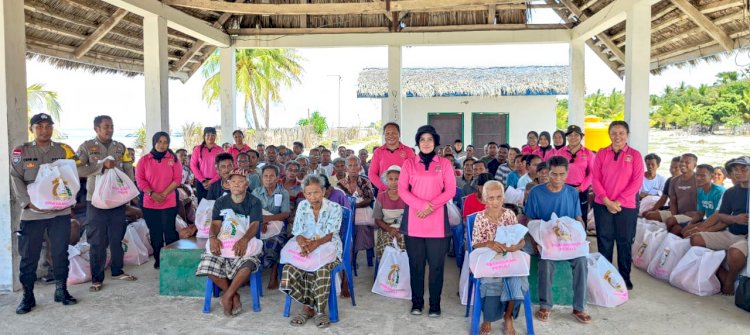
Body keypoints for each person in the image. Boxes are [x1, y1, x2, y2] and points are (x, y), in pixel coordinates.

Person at [12, 113, 79, 314]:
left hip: (59, 212)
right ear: (32, 129)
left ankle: (61, 290)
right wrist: (28, 203)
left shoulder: (62, 150)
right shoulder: (21, 151)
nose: (44, 130)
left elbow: (74, 173)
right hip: (33, 213)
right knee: (28, 256)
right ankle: (28, 296)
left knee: (60, 253)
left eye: (48, 126)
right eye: (39, 126)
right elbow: (16, 178)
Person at [525, 156, 592, 325]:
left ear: (567, 173)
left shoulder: (571, 192)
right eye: (554, 174)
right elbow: (530, 219)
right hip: (546, 241)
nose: (558, 179)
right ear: (547, 173)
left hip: (568, 241)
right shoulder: (536, 192)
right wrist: (537, 241)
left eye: (562, 174)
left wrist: (580, 224)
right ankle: (545, 305)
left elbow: (577, 216)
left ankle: (579, 307)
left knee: (581, 261)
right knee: (546, 262)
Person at [398, 125, 456, 317]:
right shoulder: (409, 164)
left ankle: (435, 305)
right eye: (422, 139)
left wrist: (430, 206)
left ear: (435, 142)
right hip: (414, 222)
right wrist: (422, 206)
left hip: (437, 224)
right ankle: (417, 303)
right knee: (416, 266)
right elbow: (402, 191)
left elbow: (450, 191)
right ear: (417, 142)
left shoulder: (445, 164)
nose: (426, 143)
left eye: (429, 139)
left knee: (437, 267)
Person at [76, 115, 137, 291]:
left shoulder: (120, 147)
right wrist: (100, 168)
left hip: (117, 201)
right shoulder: (87, 147)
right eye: (105, 127)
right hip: (95, 201)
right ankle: (97, 278)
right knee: (97, 241)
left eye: (111, 126)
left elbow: (127, 169)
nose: (109, 129)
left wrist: (128, 191)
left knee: (117, 238)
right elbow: (78, 168)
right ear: (96, 129)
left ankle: (117, 271)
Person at [195, 168, 262, 316]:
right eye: (233, 182)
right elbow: (215, 225)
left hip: (244, 241)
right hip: (224, 242)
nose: (237, 184)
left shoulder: (254, 202)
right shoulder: (221, 202)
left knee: (248, 264)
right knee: (206, 264)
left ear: (247, 185)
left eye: (241, 182)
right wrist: (212, 238)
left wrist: (244, 240)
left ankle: (226, 296)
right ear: (227, 185)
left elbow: (254, 225)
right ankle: (233, 295)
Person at [281, 175, 343, 329]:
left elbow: (330, 234)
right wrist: (302, 244)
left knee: (321, 270)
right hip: (307, 245)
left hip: (327, 246)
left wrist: (314, 245)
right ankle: (307, 306)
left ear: (323, 191)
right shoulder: (302, 205)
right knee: (289, 269)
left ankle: (319, 311)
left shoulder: (334, 208)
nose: (312, 197)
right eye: (308, 193)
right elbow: (297, 231)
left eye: (316, 192)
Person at [591, 121, 644, 290]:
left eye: (621, 133)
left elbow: (636, 182)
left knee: (624, 242)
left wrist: (618, 202)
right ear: (609, 134)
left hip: (626, 206)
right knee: (604, 241)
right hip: (603, 204)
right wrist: (607, 201)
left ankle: (624, 278)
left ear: (627, 135)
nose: (617, 136)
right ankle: (605, 277)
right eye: (614, 133)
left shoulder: (635, 155)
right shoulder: (601, 153)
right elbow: (595, 179)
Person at [471, 181, 528, 335]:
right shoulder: (480, 218)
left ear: (504, 197)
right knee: (492, 282)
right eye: (490, 198)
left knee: (517, 280)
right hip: (488, 260)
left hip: (509, 257)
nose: (495, 202)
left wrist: (517, 246)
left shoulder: (509, 214)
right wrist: (489, 243)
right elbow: (475, 244)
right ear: (484, 199)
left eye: (498, 197)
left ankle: (508, 316)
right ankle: (488, 318)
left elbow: (520, 238)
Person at [687, 157, 749, 295]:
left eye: (744, 169)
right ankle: (720, 272)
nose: (739, 172)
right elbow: (721, 216)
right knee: (696, 239)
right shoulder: (731, 192)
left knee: (736, 253)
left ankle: (729, 280)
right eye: (735, 169)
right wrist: (735, 219)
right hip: (730, 232)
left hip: (745, 238)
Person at [135, 132, 181, 269]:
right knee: (155, 233)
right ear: (154, 142)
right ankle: (159, 259)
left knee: (170, 231)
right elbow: (140, 180)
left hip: (169, 201)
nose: (162, 145)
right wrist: (152, 194)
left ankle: (173, 259)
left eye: (165, 142)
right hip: (150, 202)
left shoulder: (173, 159)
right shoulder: (144, 160)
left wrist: (164, 194)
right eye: (159, 142)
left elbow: (177, 179)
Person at [252, 165, 291, 289]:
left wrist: (267, 219)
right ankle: (251, 270)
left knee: (276, 242)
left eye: (271, 176)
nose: (268, 179)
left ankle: (273, 273)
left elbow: (285, 214)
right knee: (251, 239)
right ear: (261, 178)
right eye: (265, 176)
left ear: (277, 178)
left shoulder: (283, 192)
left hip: (279, 224)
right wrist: (261, 222)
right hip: (259, 224)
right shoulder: (256, 192)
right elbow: (253, 211)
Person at [645, 153, 697, 230]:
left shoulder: (699, 180)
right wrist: (674, 215)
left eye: (687, 162)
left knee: (673, 225)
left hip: (692, 214)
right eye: (681, 161)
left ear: (694, 165)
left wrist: (698, 214)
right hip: (675, 211)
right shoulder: (673, 180)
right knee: (649, 215)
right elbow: (672, 201)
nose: (683, 164)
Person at [556, 125, 595, 221]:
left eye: (576, 135)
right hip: (562, 188)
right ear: (567, 137)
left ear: (581, 137)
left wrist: (581, 188)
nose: (573, 137)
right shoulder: (560, 152)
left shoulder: (588, 153)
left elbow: (592, 173)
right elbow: (554, 170)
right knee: (562, 216)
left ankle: (581, 235)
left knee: (581, 216)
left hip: (580, 190)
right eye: (570, 135)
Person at [337, 155, 375, 255]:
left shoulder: (365, 181)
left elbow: (368, 199)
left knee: (361, 228)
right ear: (346, 168)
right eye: (350, 165)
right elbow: (339, 202)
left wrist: (354, 206)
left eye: (355, 165)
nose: (353, 168)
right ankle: (348, 253)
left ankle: (354, 254)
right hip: (346, 214)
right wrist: (350, 208)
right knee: (344, 228)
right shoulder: (341, 183)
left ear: (359, 167)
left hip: (362, 214)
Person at [678, 164, 725, 236]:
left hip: (718, 223)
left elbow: (718, 216)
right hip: (707, 220)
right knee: (680, 229)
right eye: (697, 175)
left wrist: (699, 227)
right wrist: (690, 223)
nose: (698, 178)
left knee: (688, 233)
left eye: (702, 175)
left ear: (711, 176)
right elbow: (700, 213)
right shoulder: (700, 191)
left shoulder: (719, 192)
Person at [368, 122, 416, 192]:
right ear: (384, 135)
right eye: (387, 133)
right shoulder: (378, 152)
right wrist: (385, 187)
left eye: (394, 133)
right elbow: (372, 173)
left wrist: (403, 188)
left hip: (405, 193)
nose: (391, 136)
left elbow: (414, 172)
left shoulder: (408, 151)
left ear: (399, 134)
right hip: (384, 193)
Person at [373, 165, 406, 258]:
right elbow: (377, 219)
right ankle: (388, 271)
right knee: (388, 243)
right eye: (391, 179)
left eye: (397, 179)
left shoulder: (407, 197)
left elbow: (410, 218)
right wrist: (389, 229)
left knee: (404, 242)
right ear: (386, 181)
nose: (394, 182)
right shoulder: (381, 196)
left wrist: (401, 229)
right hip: (386, 227)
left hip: (403, 228)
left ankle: (403, 271)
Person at [190, 127, 222, 201]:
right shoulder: (197, 149)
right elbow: (193, 165)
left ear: (215, 136)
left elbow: (222, 168)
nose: (210, 137)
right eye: (208, 135)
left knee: (216, 205)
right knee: (202, 206)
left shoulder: (220, 150)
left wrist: (212, 181)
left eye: (213, 135)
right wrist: (203, 180)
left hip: (216, 182)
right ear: (204, 136)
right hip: (201, 183)